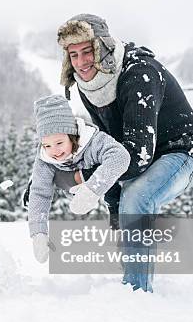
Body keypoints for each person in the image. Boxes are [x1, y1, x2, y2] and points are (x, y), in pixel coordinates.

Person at [54, 14, 193, 292]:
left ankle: (136, 294)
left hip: (182, 153)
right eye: (73, 55)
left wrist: (84, 177)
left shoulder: (139, 74)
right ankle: (133, 281)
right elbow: (110, 146)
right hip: (141, 155)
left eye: (88, 51)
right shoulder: (90, 85)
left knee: (137, 198)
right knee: (126, 204)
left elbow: (136, 155)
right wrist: (114, 210)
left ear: (103, 48)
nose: (81, 62)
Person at [28, 94, 130, 263]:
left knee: (118, 203)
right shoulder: (45, 159)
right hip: (76, 192)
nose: (54, 151)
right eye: (47, 145)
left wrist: (91, 190)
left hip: (121, 186)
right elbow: (40, 193)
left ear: (72, 135)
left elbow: (120, 156)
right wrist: (38, 233)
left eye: (59, 143)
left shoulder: (93, 141)